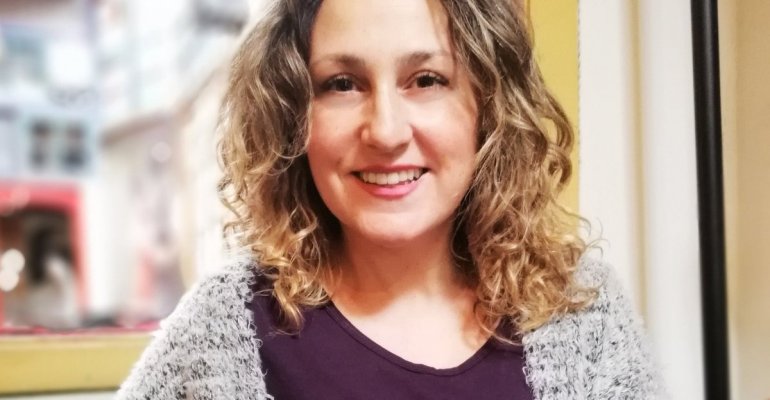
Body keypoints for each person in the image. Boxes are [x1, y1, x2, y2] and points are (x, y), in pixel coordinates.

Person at [118, 0, 664, 399]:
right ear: (293, 116)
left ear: (489, 105)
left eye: (426, 79)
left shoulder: (582, 314)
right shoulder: (226, 327)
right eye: (342, 84)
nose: (385, 130)